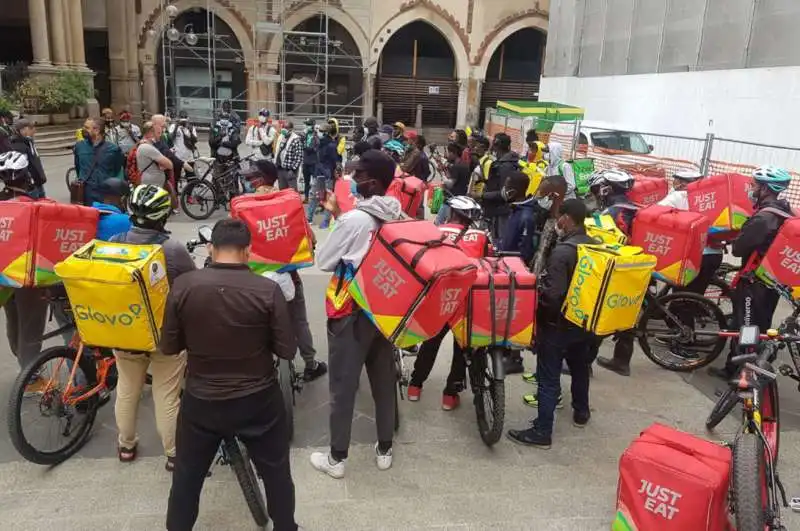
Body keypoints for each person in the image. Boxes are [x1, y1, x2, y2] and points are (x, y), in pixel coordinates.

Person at [161, 219, 298, 531]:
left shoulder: (184, 286)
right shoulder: (268, 290)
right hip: (258, 400)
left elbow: (169, 346)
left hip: (201, 400)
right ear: (248, 251)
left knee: (186, 476)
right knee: (276, 472)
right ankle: (285, 526)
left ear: (211, 248)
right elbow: (287, 350)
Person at [311, 150, 403, 479]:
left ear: (373, 181)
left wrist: (337, 221)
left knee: (342, 385)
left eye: (359, 174)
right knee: (382, 380)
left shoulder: (355, 219)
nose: (353, 179)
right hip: (385, 311)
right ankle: (384, 449)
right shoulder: (396, 213)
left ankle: (337, 459)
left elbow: (324, 261)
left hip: (350, 311)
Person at [108, 185, 194, 470]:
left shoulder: (116, 241)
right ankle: (173, 454)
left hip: (125, 331)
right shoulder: (172, 249)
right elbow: (191, 287)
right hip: (163, 336)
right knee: (166, 394)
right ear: (162, 217)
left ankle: (126, 445)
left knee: (127, 389)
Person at [507, 199, 595, 449]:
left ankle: (542, 431)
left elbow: (554, 295)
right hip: (584, 321)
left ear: (567, 218)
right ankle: (581, 412)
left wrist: (539, 313)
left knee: (548, 378)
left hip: (558, 326)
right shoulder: (595, 246)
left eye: (560, 217)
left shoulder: (563, 252)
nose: (557, 222)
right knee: (579, 367)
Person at [708, 166, 795, 380]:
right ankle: (744, 367)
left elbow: (739, 249)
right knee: (758, 325)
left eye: (755, 185)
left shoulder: (764, 217)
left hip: (754, 283)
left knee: (747, 327)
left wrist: (736, 238)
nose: (751, 188)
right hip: (770, 282)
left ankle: (740, 374)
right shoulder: (784, 211)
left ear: (765, 188)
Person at [407, 196, 488, 410]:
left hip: (441, 299)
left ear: (451, 213)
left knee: (430, 343)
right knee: (462, 348)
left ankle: (415, 386)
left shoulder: (436, 233)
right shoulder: (481, 236)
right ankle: (449, 396)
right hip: (467, 301)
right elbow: (487, 264)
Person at [0, 151, 50, 390]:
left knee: (13, 320)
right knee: (31, 326)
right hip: (29, 277)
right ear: (26, 177)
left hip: (4, 275)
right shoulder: (34, 208)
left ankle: (24, 365)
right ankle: (29, 378)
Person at [589, 169, 641, 377]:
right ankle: (621, 361)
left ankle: (584, 365)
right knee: (628, 315)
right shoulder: (634, 208)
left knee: (599, 318)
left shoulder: (610, 213)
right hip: (637, 268)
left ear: (606, 189)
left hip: (616, 270)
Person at [657, 170, 723, 297]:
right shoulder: (713, 198)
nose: (674, 185)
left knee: (681, 298)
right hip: (714, 255)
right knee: (696, 297)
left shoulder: (679, 196)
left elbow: (656, 213)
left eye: (676, 181)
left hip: (691, 256)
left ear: (682, 184)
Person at [474, 133, 519, 244]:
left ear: (495, 145)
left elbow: (504, 193)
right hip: (496, 209)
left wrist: (482, 195)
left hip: (502, 211)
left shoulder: (506, 166)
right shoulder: (503, 162)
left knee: (499, 242)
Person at [74, 116, 125, 205]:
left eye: (86, 128)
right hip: (85, 193)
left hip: (105, 194)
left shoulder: (113, 149)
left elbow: (117, 169)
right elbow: (78, 167)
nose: (83, 130)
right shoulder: (79, 146)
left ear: (97, 130)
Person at [500, 171, 537, 265]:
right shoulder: (514, 208)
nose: (504, 190)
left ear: (514, 192)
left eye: (507, 187)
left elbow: (525, 251)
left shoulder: (526, 217)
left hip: (513, 266)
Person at [307, 124, 337, 229]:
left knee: (328, 197)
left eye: (321, 131)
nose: (318, 132)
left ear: (326, 132)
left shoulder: (331, 145)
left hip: (327, 173)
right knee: (314, 195)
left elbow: (335, 161)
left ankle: (326, 221)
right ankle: (309, 218)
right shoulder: (318, 143)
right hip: (319, 172)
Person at [434, 142, 472, 225]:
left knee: (438, 223)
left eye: (449, 152)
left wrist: (441, 174)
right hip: (460, 198)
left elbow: (450, 184)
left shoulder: (456, 166)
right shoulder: (464, 165)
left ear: (454, 153)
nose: (448, 155)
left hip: (451, 199)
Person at [9, 119, 46, 199]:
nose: (34, 130)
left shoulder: (28, 142)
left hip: (37, 182)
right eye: (30, 128)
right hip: (30, 185)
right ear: (22, 130)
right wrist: (30, 182)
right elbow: (21, 168)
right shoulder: (18, 145)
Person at [136, 121, 174, 188]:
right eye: (157, 132)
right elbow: (169, 165)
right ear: (149, 133)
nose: (159, 135)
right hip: (153, 184)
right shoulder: (147, 147)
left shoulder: (144, 145)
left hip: (151, 181)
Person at [275, 121, 302, 191]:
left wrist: (293, 170)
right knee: (282, 191)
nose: (284, 129)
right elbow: (278, 151)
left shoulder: (296, 139)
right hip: (280, 168)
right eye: (283, 127)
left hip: (289, 170)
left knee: (291, 191)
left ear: (291, 129)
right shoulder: (282, 137)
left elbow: (299, 157)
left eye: (286, 128)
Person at [301, 119, 320, 203]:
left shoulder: (316, 135)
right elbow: (301, 143)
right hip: (305, 162)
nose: (306, 126)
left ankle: (317, 199)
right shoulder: (304, 135)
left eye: (308, 124)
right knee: (306, 181)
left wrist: (307, 147)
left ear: (312, 125)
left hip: (313, 162)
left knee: (316, 181)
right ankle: (306, 197)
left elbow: (315, 148)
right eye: (306, 124)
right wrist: (304, 136)